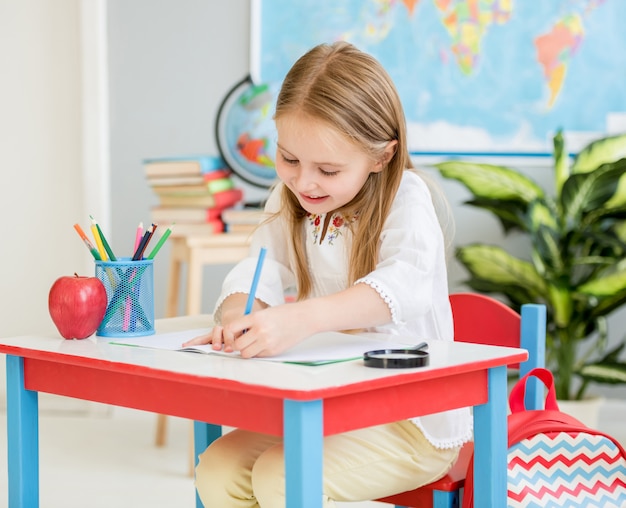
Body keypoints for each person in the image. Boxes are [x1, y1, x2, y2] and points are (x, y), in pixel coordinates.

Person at [184, 41, 472, 507]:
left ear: (380, 157)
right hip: (332, 403)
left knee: (283, 478)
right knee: (216, 469)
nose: (304, 182)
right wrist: (242, 313)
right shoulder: (290, 198)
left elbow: (404, 286)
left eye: (328, 169)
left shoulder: (406, 197)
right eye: (289, 159)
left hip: (414, 421)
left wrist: (302, 319)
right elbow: (260, 269)